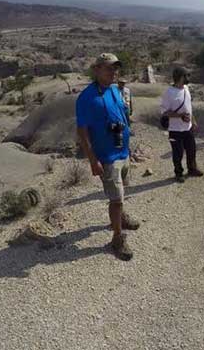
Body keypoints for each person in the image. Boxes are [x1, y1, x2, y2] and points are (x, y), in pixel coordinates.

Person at [76, 53, 139, 261]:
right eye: (109, 68)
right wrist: (93, 161)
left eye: (115, 68)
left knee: (123, 190)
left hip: (123, 150)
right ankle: (117, 238)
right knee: (116, 198)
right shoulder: (86, 98)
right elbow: (83, 133)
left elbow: (122, 115)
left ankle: (119, 218)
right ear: (96, 70)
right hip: (107, 156)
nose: (113, 72)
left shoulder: (114, 90)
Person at [160, 67, 204, 183]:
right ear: (180, 77)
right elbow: (164, 112)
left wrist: (193, 121)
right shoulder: (169, 92)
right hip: (175, 130)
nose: (188, 78)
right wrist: (180, 116)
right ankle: (178, 173)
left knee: (191, 149)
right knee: (177, 153)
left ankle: (192, 169)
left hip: (187, 128)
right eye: (186, 76)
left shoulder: (186, 88)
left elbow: (189, 107)